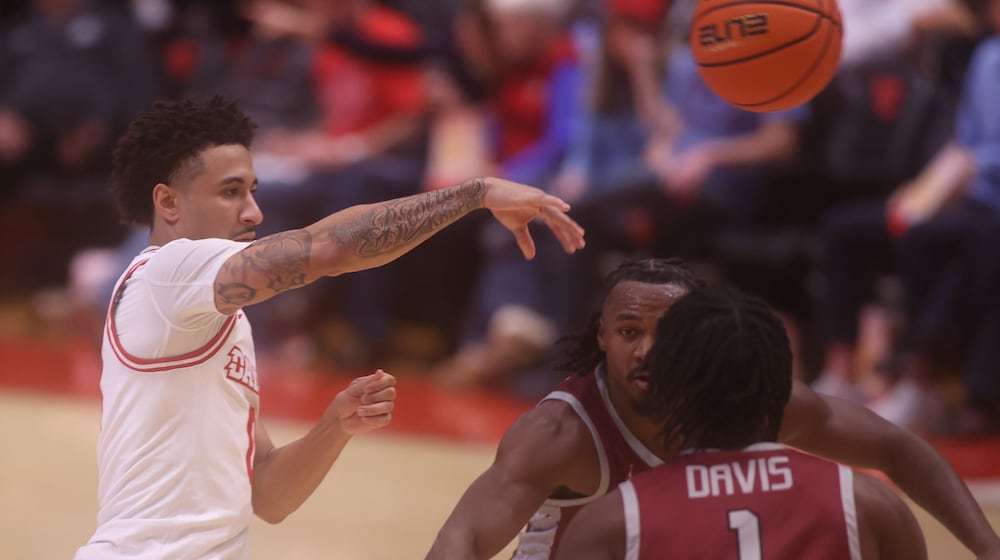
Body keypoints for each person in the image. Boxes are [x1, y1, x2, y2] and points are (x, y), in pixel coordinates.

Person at [74, 94, 585, 559]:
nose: (254, 211)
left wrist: (335, 425)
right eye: (231, 192)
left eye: (252, 190)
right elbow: (328, 248)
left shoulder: (214, 317)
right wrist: (476, 193)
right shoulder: (167, 275)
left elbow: (268, 494)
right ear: (168, 203)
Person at [425, 258, 1000, 560]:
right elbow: (462, 541)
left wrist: (986, 544)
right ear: (601, 336)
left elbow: (893, 446)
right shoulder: (560, 433)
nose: (646, 350)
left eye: (666, 331)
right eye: (628, 331)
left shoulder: (745, 400)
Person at [555, 287, 927, 560]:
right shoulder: (870, 504)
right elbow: (899, 446)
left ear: (672, 391)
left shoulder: (609, 521)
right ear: (780, 390)